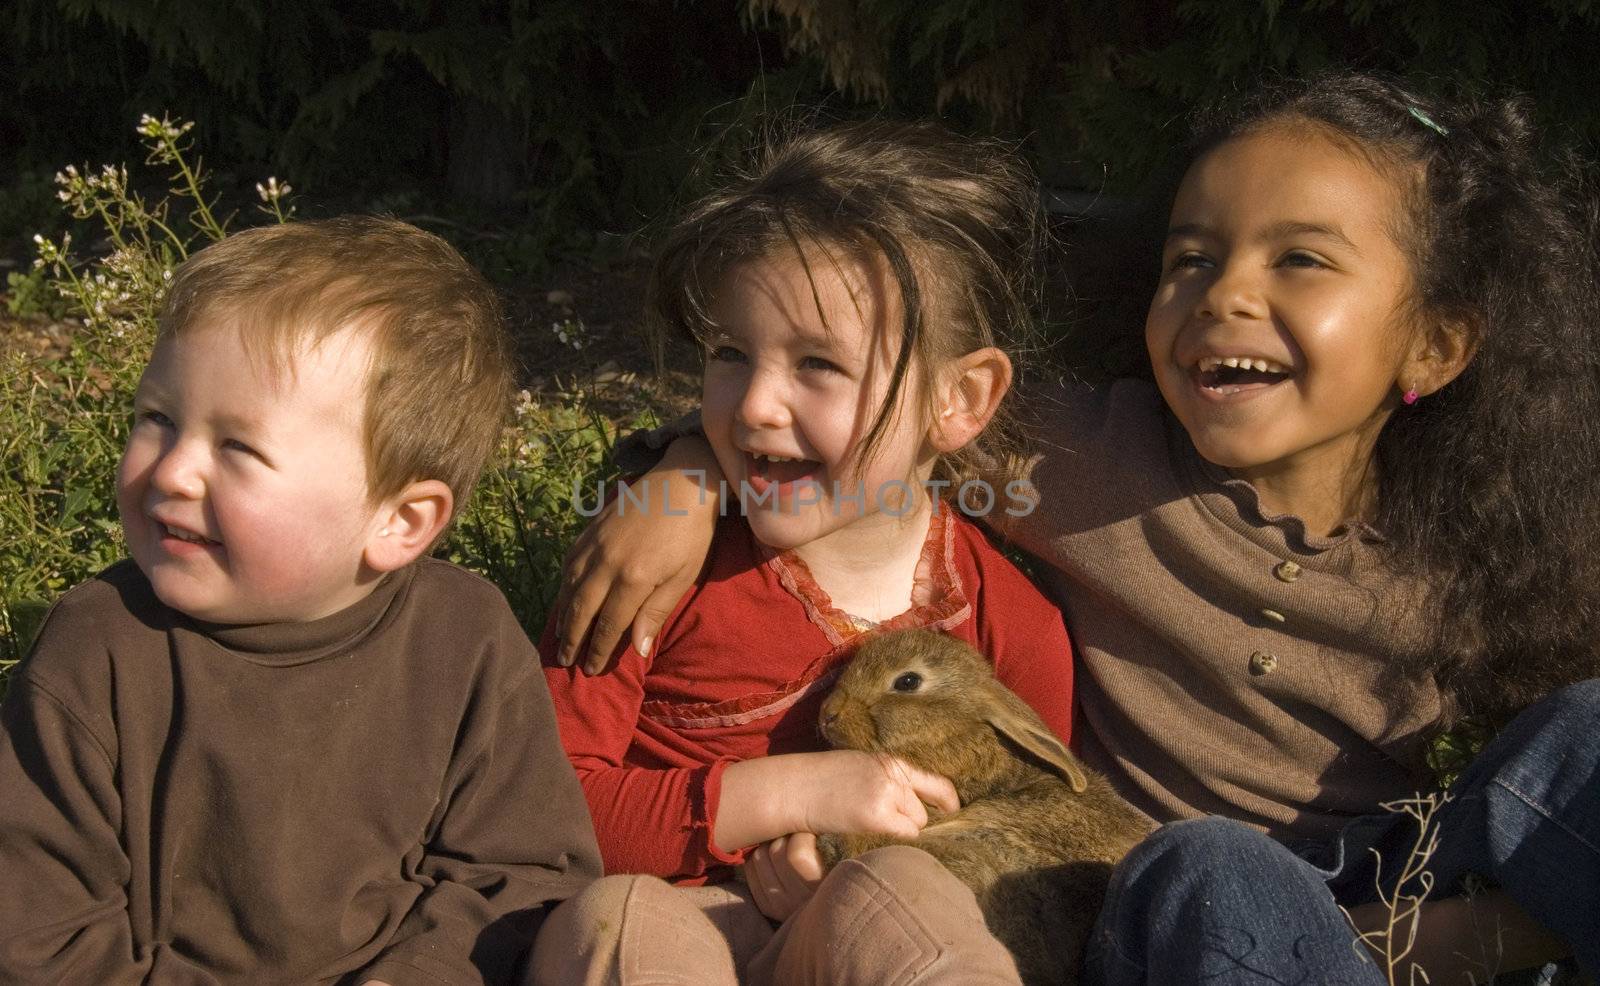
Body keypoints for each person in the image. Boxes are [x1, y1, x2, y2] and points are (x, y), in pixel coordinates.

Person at [549, 71, 1600, 984]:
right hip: (1152, 890)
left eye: (1300, 261)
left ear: (1435, 347)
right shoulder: (1079, 458)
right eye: (1189, 258)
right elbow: (875, 419)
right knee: (1216, 866)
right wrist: (678, 475)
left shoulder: (1488, 548)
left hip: (1385, 870)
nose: (1223, 293)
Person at [530, 121, 1076, 986]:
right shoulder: (649, 567)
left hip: (868, 939)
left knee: (904, 902)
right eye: (729, 353)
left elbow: (1042, 827)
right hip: (676, 928)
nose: (753, 408)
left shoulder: (1012, 622)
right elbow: (538, 806)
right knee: (621, 923)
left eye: (818, 363)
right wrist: (790, 796)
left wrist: (858, 853)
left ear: (960, 397)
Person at [0, 217, 603, 985]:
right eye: (158, 418)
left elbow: (526, 874)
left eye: (238, 448)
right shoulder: (97, 651)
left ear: (399, 521)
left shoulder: (465, 641)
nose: (174, 472)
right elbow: (37, 939)